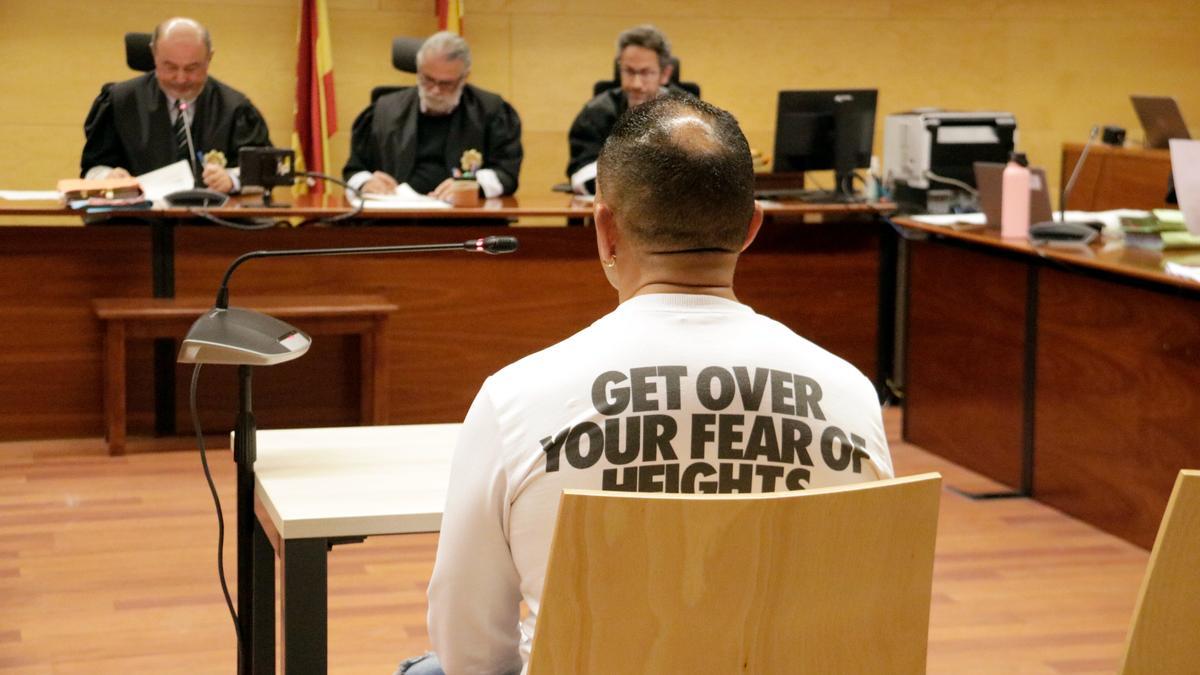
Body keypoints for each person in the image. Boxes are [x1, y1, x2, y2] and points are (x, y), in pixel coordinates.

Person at [404, 96, 894, 675]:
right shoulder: (851, 396)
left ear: (605, 229)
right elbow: (868, 630)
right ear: (751, 228)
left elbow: (470, 649)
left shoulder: (515, 399)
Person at [80, 17, 271, 193]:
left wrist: (232, 180)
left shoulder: (235, 108)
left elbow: (267, 169)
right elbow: (92, 169)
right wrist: (108, 176)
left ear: (209, 58)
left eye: (192, 68)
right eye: (170, 67)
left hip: (213, 223)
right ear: (154, 54)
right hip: (137, 221)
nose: (181, 79)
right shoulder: (119, 102)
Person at [344, 32, 523, 200]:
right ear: (419, 71)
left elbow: (506, 173)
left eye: (446, 84)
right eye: (427, 79)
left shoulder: (491, 111)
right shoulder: (383, 110)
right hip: (395, 220)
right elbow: (354, 170)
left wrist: (472, 185)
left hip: (465, 220)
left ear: (464, 77)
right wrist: (366, 182)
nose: (435, 90)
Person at [565, 24, 689, 195]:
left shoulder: (687, 113)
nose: (636, 84)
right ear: (619, 68)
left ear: (665, 74)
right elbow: (582, 175)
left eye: (646, 73)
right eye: (629, 71)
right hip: (614, 209)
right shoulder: (596, 113)